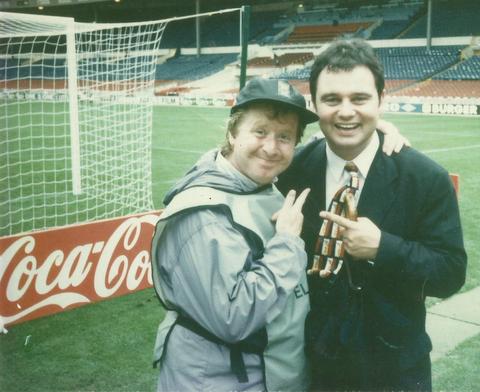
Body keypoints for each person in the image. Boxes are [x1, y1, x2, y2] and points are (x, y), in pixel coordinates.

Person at [151, 77, 406, 392]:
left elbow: (324, 146)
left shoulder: (261, 181)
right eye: (259, 132)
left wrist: (372, 133)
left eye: (285, 137)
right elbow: (233, 318)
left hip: (267, 373)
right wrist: (286, 242)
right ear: (232, 133)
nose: (271, 148)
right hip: (218, 380)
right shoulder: (202, 215)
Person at [276, 39, 467, 391]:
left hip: (394, 371)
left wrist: (384, 248)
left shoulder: (425, 178)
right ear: (315, 105)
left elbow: (451, 273)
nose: (345, 111)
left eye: (359, 98)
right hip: (315, 368)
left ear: (381, 100)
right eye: (332, 99)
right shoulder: (292, 171)